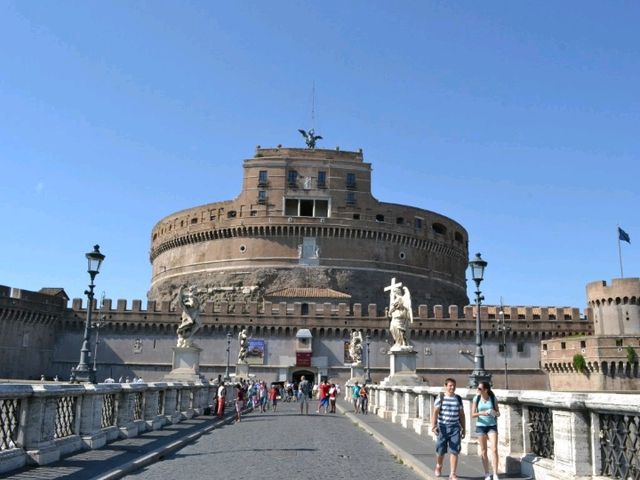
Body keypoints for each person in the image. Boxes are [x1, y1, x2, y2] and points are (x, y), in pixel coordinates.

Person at [431, 378, 466, 480]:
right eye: (450, 385)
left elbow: (462, 415)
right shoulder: (440, 398)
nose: (452, 387)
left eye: (454, 385)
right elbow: (435, 412)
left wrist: (464, 428)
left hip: (455, 427)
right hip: (442, 427)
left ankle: (453, 473)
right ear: (445, 386)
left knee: (455, 450)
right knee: (440, 450)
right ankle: (439, 466)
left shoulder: (458, 399)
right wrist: (433, 426)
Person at [471, 381, 501, 480]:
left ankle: (495, 473)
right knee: (484, 451)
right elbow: (473, 414)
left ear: (486, 390)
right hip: (481, 426)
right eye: (478, 388)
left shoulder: (493, 398)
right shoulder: (477, 398)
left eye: (479, 388)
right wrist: (483, 413)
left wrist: (493, 412)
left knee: (494, 449)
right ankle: (487, 473)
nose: (477, 390)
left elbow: (498, 414)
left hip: (492, 425)